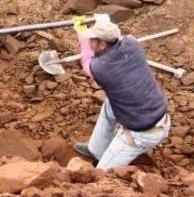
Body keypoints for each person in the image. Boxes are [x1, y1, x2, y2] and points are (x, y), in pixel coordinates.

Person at [72, 18, 171, 169]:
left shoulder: (101, 68)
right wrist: (104, 21)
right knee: (109, 105)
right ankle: (95, 150)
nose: (90, 42)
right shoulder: (132, 44)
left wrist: (81, 34)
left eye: (93, 40)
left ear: (103, 44)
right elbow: (119, 37)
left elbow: (86, 60)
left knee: (100, 176)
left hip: (143, 133)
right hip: (154, 113)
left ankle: (105, 162)